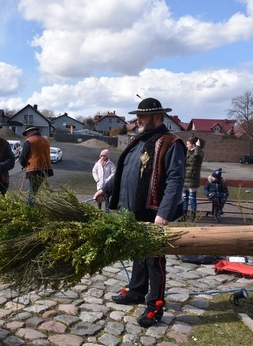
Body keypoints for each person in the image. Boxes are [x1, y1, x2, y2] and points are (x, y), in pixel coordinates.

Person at [94, 97, 186, 328]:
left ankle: (155, 304)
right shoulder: (138, 141)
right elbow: (123, 171)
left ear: (158, 117)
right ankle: (136, 291)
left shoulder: (170, 143)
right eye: (138, 116)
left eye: (143, 117)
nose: (138, 120)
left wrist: (164, 213)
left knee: (154, 259)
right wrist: (105, 189)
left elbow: (176, 180)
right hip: (131, 209)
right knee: (137, 251)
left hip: (153, 211)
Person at [19, 126, 54, 204]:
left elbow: (23, 157)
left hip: (34, 169)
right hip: (45, 169)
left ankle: (30, 207)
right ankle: (33, 206)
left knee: (32, 192)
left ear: (29, 132)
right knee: (35, 191)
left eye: (27, 133)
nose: (27, 135)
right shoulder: (46, 140)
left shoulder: (29, 141)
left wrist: (24, 164)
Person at [182, 136, 204, 221]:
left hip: (193, 179)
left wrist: (198, 147)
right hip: (185, 179)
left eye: (188, 144)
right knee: (184, 198)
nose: (187, 146)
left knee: (192, 198)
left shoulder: (200, 152)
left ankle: (193, 216)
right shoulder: (187, 152)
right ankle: (183, 215)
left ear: (193, 144)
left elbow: (196, 155)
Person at [92, 149, 115, 213]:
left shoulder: (111, 164)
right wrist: (97, 179)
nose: (103, 157)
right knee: (99, 197)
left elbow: (113, 173)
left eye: (104, 156)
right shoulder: (97, 164)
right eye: (102, 156)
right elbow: (94, 171)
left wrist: (108, 180)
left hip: (106, 185)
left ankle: (107, 210)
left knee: (106, 197)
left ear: (107, 156)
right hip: (99, 184)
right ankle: (99, 209)